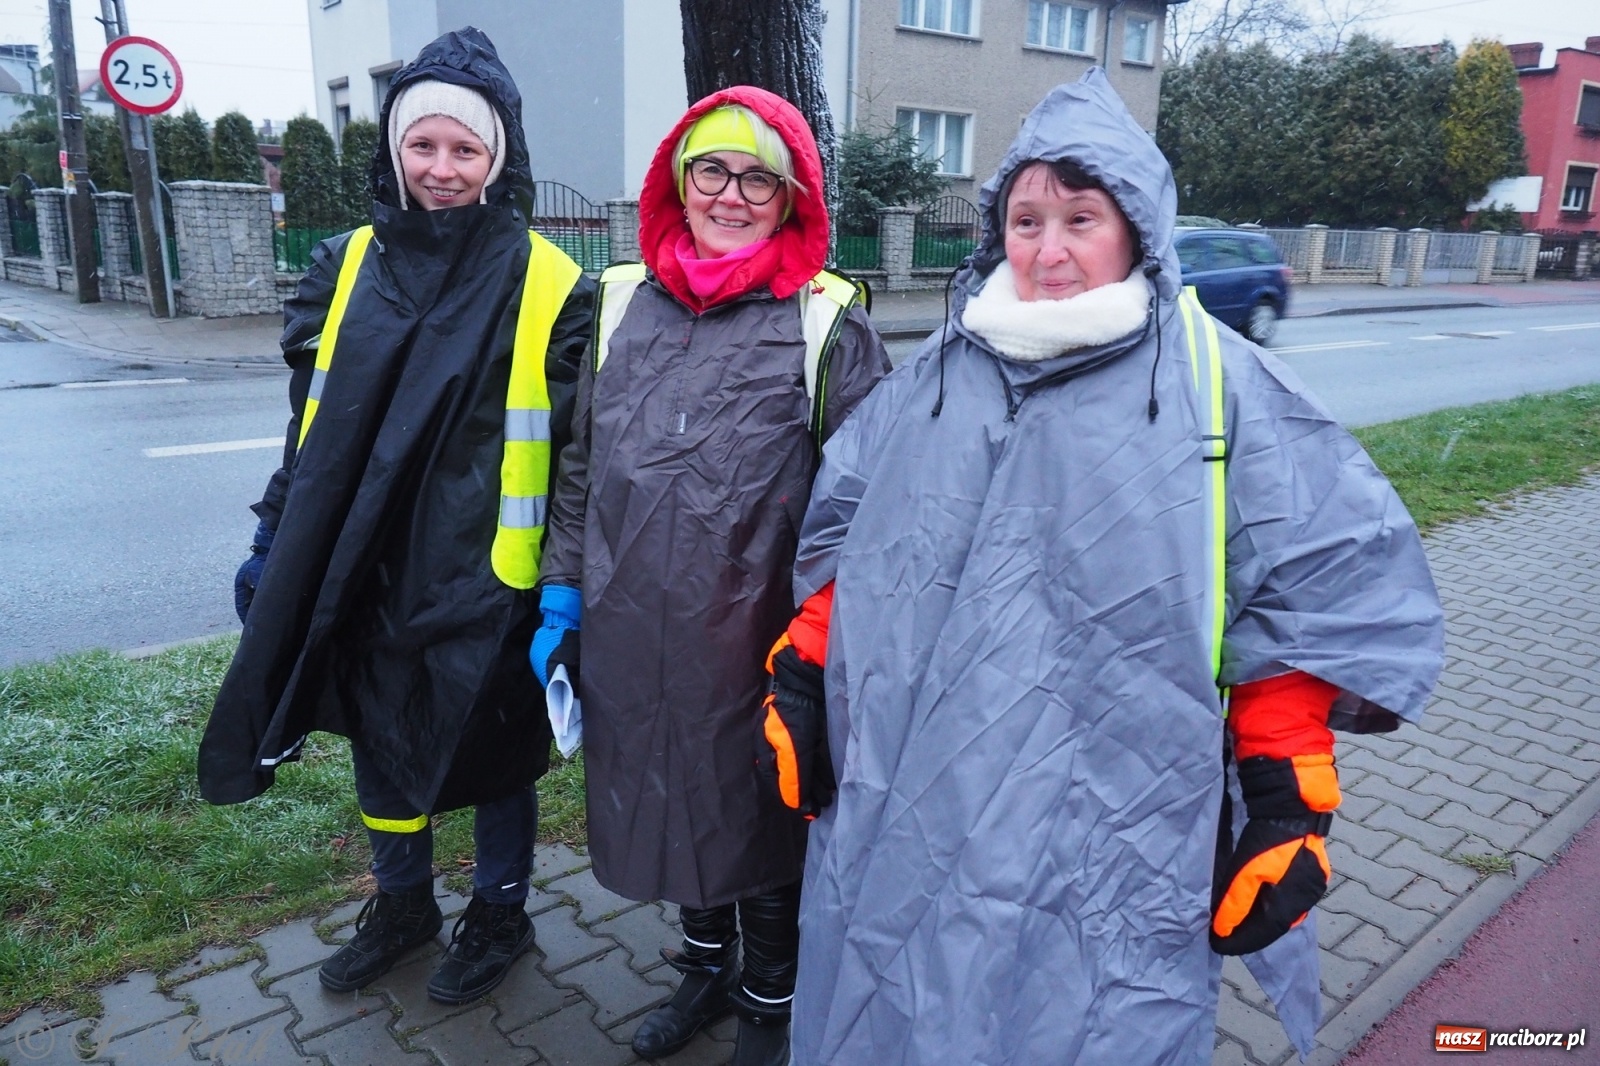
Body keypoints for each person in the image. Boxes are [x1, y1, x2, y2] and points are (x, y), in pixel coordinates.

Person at [784, 69, 1445, 1065]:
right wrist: (798, 668)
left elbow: (1303, 586)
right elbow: (854, 536)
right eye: (1025, 219)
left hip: (1115, 813)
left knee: (1087, 1018)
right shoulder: (932, 379)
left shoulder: (1221, 387)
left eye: (1079, 218)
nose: (1048, 252)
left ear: (1134, 225)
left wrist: (1284, 791)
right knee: (908, 1001)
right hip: (917, 787)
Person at [196, 28, 595, 1006]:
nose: (443, 167)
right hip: (364, 561)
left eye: (466, 148)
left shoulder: (550, 280)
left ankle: (498, 910)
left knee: (494, 749)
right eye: (424, 145)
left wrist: (563, 583)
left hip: (490, 570)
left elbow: (577, 446)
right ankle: (405, 903)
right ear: (393, 149)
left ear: (499, 158)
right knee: (383, 736)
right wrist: (270, 539)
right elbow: (309, 425)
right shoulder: (344, 265)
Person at [532, 87, 891, 1065]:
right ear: (677, 180)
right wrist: (561, 591)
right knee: (668, 794)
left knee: (760, 813)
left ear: (791, 197)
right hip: (629, 621)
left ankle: (769, 1003)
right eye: (712, 170)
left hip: (758, 635)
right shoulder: (615, 303)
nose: (730, 195)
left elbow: (874, 503)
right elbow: (577, 463)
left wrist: (825, 640)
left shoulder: (827, 327)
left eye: (756, 178)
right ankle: (701, 968)